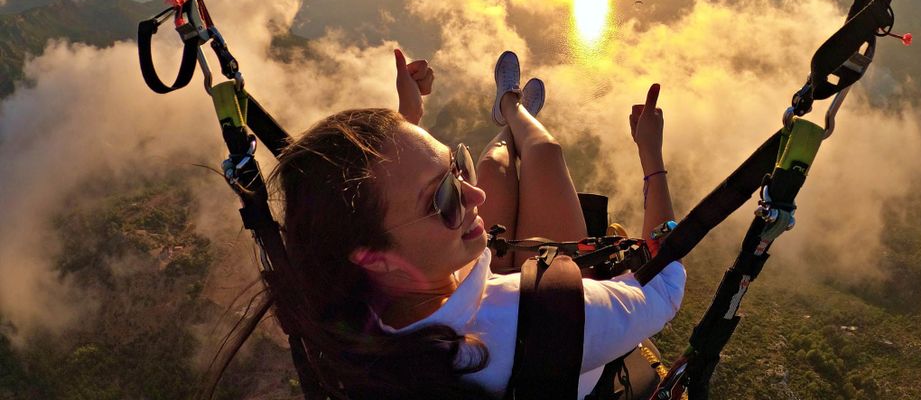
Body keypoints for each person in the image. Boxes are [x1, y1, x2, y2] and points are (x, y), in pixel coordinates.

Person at [265, 49, 684, 400]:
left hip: (471, 296)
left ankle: (506, 120)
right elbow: (666, 283)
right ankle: (513, 111)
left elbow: (384, 205)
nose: (473, 194)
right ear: (375, 257)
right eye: (442, 198)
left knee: (493, 168)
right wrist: (652, 155)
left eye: (454, 167)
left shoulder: (352, 307)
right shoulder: (557, 313)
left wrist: (408, 117)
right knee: (545, 151)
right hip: (543, 331)